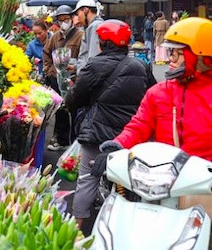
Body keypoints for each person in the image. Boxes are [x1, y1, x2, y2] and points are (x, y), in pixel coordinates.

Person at [92, 17, 212, 250]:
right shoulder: (158, 93)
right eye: (170, 53)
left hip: (208, 197)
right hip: (156, 191)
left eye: (177, 54)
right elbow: (137, 127)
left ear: (203, 58)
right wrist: (115, 148)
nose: (170, 59)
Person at [64, 19, 156, 231]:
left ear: (102, 43)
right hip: (132, 135)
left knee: (88, 178)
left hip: (97, 133)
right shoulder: (141, 66)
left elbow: (75, 98)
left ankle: (77, 229)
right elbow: (153, 94)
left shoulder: (93, 65)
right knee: (132, 181)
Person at [43, 5, 82, 151]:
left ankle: (75, 142)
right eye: (60, 20)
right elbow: (46, 52)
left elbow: (83, 56)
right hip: (57, 80)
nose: (63, 22)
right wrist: (49, 69)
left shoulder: (80, 36)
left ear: (72, 19)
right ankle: (62, 140)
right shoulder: (55, 37)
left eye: (66, 19)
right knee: (60, 110)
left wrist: (77, 69)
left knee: (75, 111)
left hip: (74, 79)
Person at [72, 0, 104, 73]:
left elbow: (93, 58)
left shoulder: (94, 26)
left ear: (86, 10)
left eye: (78, 14)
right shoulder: (95, 25)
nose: (78, 18)